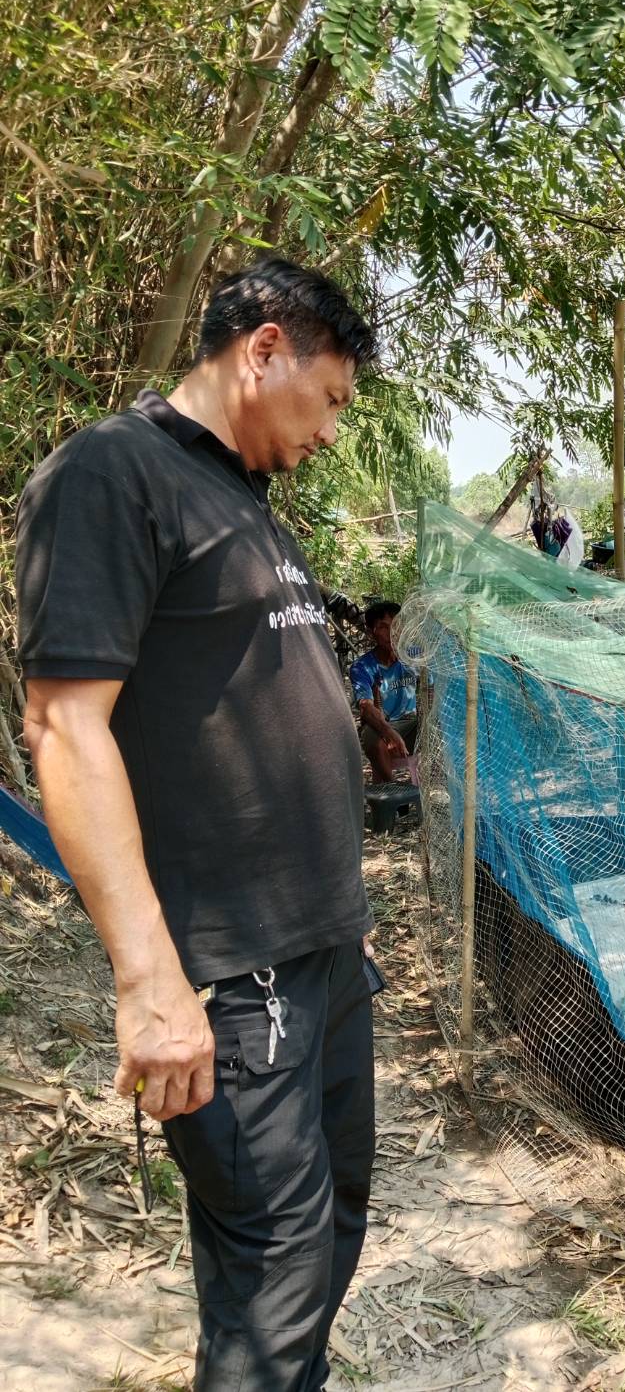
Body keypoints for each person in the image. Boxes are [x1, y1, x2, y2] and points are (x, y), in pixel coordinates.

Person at [16, 257, 378, 1392]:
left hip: (319, 954)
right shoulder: (111, 473)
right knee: (275, 1275)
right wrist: (150, 982)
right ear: (265, 350)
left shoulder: (244, 503)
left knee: (327, 1235)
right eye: (331, 397)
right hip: (232, 972)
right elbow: (64, 725)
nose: (331, 430)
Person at [350, 601, 418, 782]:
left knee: (438, 730)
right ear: (371, 633)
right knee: (373, 739)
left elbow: (431, 687)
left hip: (411, 723)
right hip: (381, 725)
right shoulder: (362, 666)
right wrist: (389, 733)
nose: (392, 633)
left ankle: (431, 787)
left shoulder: (414, 656)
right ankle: (391, 788)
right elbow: (366, 707)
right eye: (383, 627)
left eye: (397, 625)